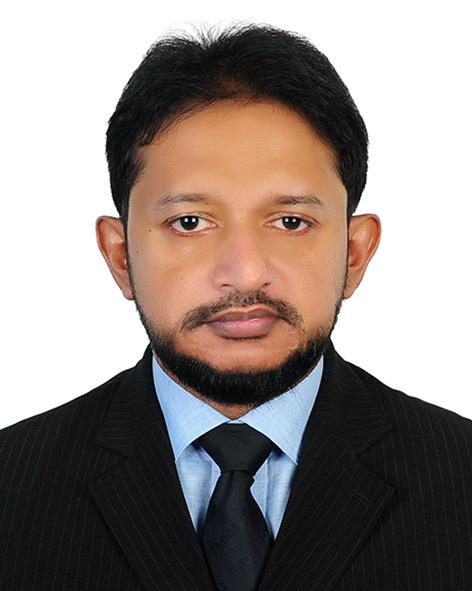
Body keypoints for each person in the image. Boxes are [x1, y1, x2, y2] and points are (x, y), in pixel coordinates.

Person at [1, 22, 471, 591]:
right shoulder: (12, 482)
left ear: (355, 253)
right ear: (120, 255)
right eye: (189, 222)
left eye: (290, 221)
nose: (245, 273)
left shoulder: (460, 473)